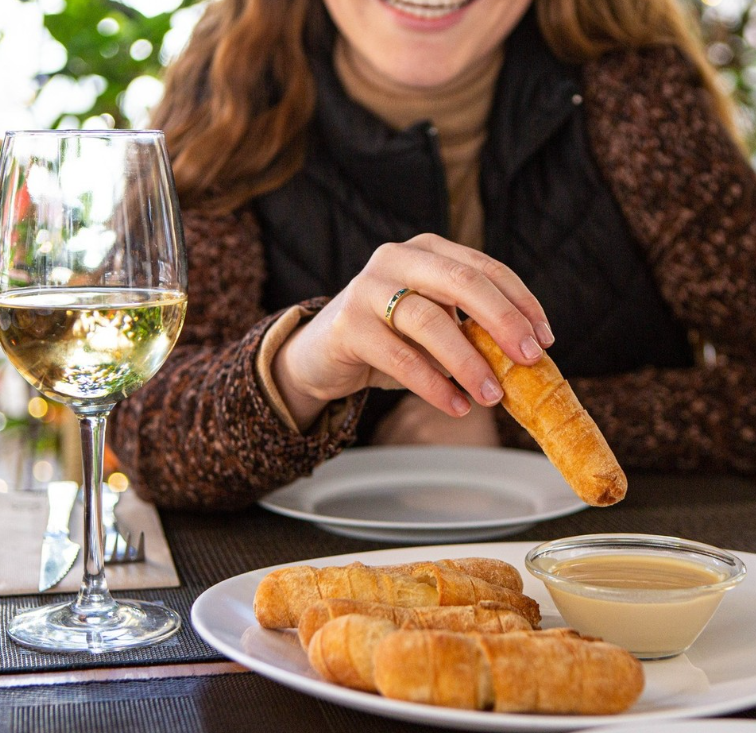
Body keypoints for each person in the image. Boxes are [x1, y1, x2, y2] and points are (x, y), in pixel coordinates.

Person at [109, 0, 756, 509]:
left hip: (602, 589)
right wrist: (301, 366)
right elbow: (138, 419)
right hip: (295, 608)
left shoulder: (637, 88)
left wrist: (510, 428)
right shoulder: (230, 97)